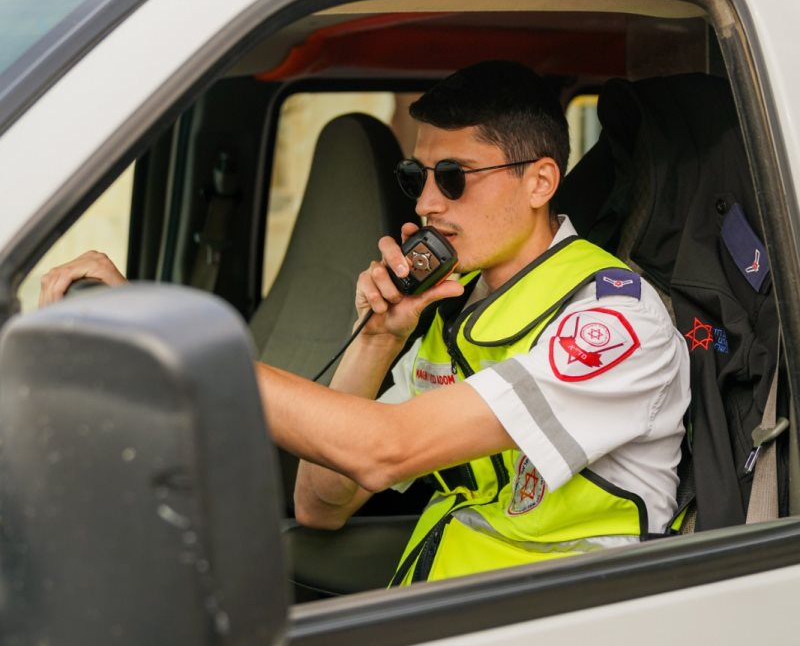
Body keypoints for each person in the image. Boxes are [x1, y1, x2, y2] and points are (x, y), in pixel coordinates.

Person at [39, 61, 689, 587]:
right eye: (417, 176)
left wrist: (173, 344)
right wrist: (377, 339)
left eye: (454, 178)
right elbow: (320, 505)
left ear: (541, 182)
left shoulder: (611, 321)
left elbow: (386, 449)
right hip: (448, 622)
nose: (427, 203)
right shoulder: (456, 316)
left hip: (560, 643)